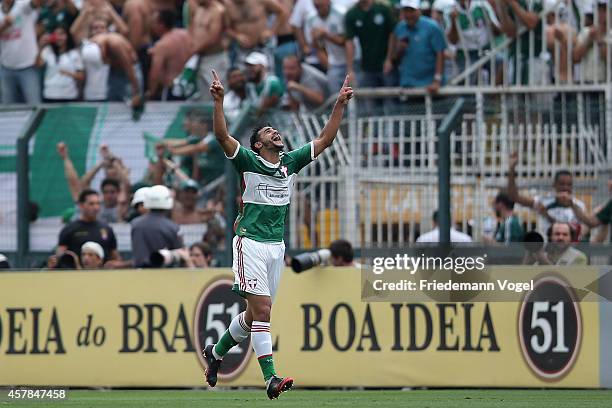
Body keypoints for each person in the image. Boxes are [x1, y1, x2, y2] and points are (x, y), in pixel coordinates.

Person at [203, 69, 353, 399]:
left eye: (275, 130)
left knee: (252, 315)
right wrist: (218, 102)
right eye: (269, 131)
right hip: (250, 243)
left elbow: (326, 140)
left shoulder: (289, 162)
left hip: (276, 246)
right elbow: (222, 137)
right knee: (264, 311)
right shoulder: (247, 159)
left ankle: (214, 354)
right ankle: (271, 377)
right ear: (258, 144)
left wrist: (339, 105)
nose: (275, 133)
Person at [507, 151, 586, 239]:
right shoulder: (545, 201)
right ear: (554, 185)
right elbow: (514, 197)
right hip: (546, 248)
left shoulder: (578, 205)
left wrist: (547, 215)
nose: (565, 188)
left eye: (569, 184)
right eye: (562, 184)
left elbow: (574, 231)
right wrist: (511, 169)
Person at [385, 0, 446, 93]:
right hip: (408, 84)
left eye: (411, 11)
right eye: (405, 11)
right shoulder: (399, 28)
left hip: (430, 85)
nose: (408, 14)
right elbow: (394, 57)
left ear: (418, 10)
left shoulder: (432, 27)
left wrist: (437, 80)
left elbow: (440, 53)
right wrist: (399, 50)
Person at [56, 189, 121, 264]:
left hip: (102, 274)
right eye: (91, 204)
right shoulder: (69, 229)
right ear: (81, 205)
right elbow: (60, 256)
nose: (96, 207)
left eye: (98, 203)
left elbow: (115, 256)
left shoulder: (106, 228)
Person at [1, 0, 43, 105]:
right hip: (6, 67)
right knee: (8, 108)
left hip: (28, 66)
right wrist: (4, 26)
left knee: (34, 106)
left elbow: (36, 3)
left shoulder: (22, 5)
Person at [131, 185, 182, 267]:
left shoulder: (135, 224)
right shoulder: (173, 227)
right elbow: (180, 253)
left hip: (139, 274)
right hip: (164, 275)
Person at [224, 0, 288, 66]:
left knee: (268, 73)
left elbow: (282, 12)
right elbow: (226, 27)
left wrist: (271, 31)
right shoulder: (228, 5)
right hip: (243, 49)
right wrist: (237, 36)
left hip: (263, 45)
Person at [146, 9, 192, 100]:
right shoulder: (187, 35)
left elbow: (155, 73)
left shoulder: (162, 45)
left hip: (173, 90)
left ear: (161, 25)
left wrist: (151, 92)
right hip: (190, 86)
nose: (151, 25)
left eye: (153, 22)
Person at [306, 0, 349, 91]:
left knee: (354, 95)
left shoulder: (341, 14)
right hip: (334, 62)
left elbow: (347, 42)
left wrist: (326, 34)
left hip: (352, 60)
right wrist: (329, 65)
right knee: (335, 93)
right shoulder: (311, 19)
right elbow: (317, 47)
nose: (317, 3)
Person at [191, 0, 228, 101]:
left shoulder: (218, 11)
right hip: (200, 58)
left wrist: (194, 50)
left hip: (215, 58)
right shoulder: (199, 9)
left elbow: (213, 37)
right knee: (203, 94)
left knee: (217, 92)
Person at [36, 26, 84, 102]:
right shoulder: (47, 50)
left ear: (67, 36)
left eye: (62, 34)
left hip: (69, 94)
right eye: (56, 35)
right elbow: (38, 65)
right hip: (50, 94)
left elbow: (81, 76)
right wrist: (40, 47)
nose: (59, 37)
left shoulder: (74, 53)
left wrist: (69, 73)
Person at [523, 222, 588, 265]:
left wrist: (544, 262)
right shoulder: (542, 254)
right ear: (550, 237)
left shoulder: (579, 257)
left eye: (565, 234)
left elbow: (568, 280)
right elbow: (523, 278)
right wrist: (529, 259)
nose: (560, 238)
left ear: (571, 238)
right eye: (557, 234)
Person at [244, 51, 284, 115]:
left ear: (263, 66)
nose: (249, 69)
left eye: (252, 66)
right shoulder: (250, 86)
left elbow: (260, 111)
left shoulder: (273, 83)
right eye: (248, 66)